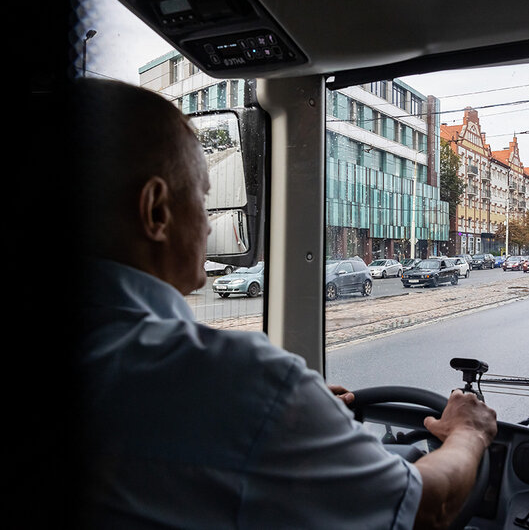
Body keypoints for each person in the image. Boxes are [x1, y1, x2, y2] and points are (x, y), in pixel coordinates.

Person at [71, 78, 496, 530]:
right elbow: (429, 507)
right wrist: (468, 432)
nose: (211, 220)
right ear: (156, 211)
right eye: (202, 196)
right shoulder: (237, 381)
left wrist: (298, 414)